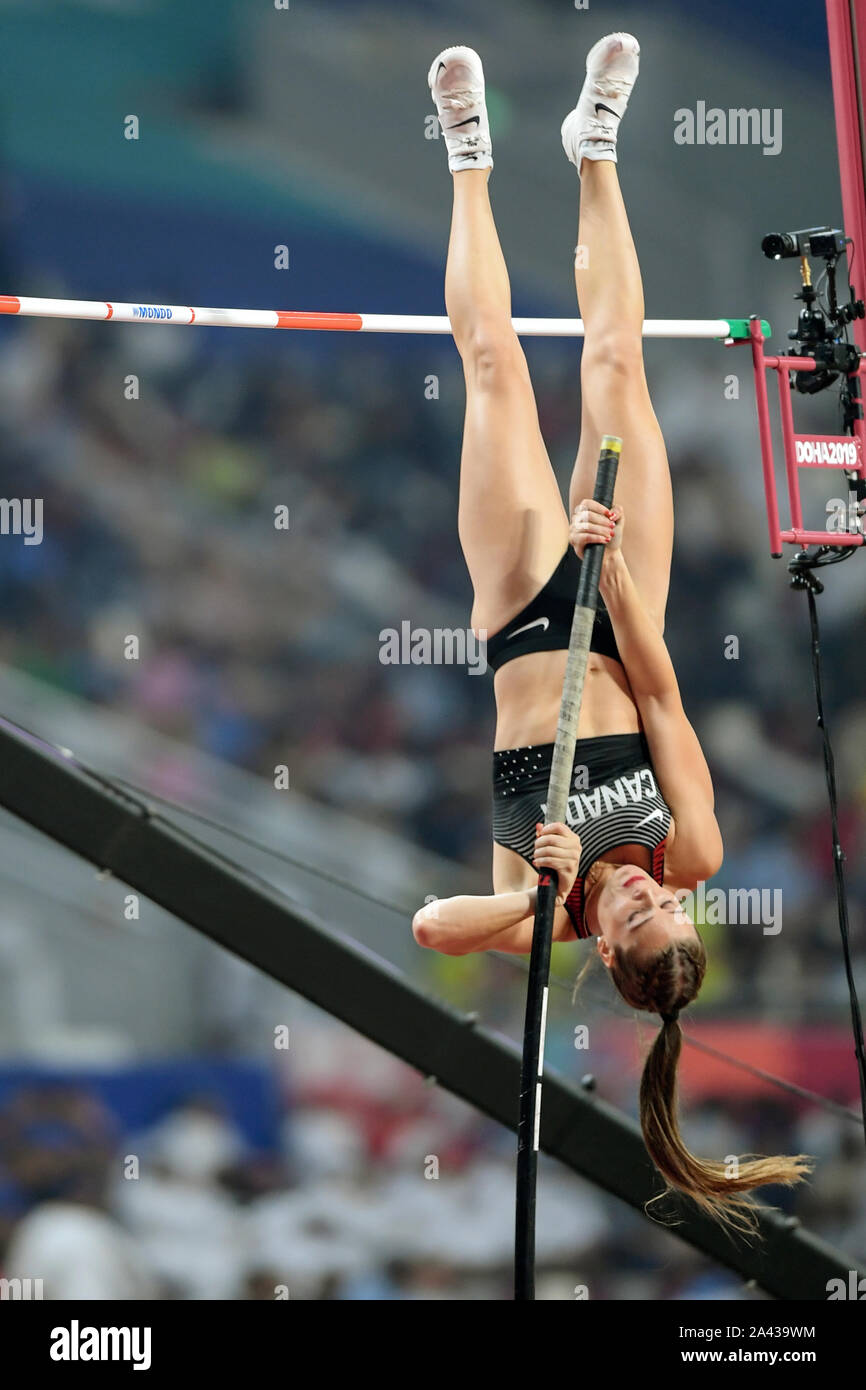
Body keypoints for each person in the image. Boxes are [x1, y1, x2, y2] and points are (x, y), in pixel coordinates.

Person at [413, 34, 810, 1228]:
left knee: (490, 369)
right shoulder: (689, 848)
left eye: (633, 915)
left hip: (519, 619)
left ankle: (467, 157)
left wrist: (532, 905)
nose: (646, 895)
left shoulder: (542, 908)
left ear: (608, 948)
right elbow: (669, 699)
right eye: (665, 907)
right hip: (614, 593)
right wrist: (610, 564)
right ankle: (595, 148)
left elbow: (434, 925)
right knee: (613, 367)